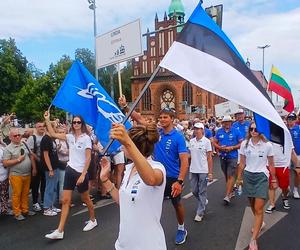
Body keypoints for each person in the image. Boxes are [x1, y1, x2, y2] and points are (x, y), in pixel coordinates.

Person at [118, 96, 189, 245]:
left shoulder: (178, 137)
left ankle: (181, 228)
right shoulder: (156, 133)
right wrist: (125, 107)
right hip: (150, 173)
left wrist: (180, 181)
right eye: (161, 117)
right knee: (151, 204)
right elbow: (139, 118)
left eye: (165, 117)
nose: (162, 119)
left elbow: (184, 161)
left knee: (177, 204)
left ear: (172, 119)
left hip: (170, 177)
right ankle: (149, 228)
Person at [100, 123, 166, 250]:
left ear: (133, 147)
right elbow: (123, 200)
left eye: (123, 145)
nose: (121, 148)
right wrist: (105, 180)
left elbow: (151, 179)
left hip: (148, 245)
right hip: (123, 244)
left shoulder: (157, 168)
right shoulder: (129, 169)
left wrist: (128, 142)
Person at [44, 111, 97, 240]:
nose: (76, 124)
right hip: (70, 170)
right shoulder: (69, 136)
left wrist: (83, 175)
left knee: (85, 199)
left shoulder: (86, 138)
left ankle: (93, 219)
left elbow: (88, 158)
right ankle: (60, 230)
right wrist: (47, 119)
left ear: (82, 124)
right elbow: (52, 134)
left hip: (81, 173)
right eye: (74, 122)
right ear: (72, 124)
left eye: (79, 122)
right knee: (66, 201)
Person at [237, 122, 276, 250]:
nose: (253, 131)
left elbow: (271, 164)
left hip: (261, 177)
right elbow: (242, 163)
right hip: (248, 176)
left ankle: (253, 240)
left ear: (260, 130)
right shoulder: (244, 144)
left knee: (259, 208)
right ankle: (261, 222)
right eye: (251, 129)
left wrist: (274, 179)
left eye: (256, 129)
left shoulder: (267, 145)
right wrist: (239, 178)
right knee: (252, 204)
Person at [2, 128, 37, 220]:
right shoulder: (8, 149)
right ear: (10, 137)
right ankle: (17, 213)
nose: (17, 137)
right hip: (16, 174)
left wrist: (34, 168)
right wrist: (18, 160)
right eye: (15, 135)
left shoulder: (24, 144)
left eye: (19, 135)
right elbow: (5, 163)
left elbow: (31, 155)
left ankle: (25, 210)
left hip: (27, 173)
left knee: (25, 193)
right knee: (17, 194)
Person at [214, 115, 243, 204]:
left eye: (228, 122)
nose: (227, 124)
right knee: (226, 175)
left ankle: (227, 195)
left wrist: (233, 147)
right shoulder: (219, 132)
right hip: (223, 157)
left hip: (233, 156)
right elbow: (214, 142)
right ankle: (231, 190)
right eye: (225, 122)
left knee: (230, 175)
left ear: (231, 122)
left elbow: (241, 143)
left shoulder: (236, 131)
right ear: (222, 123)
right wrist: (219, 148)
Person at [188, 122, 213, 222]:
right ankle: (203, 201)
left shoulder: (206, 142)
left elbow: (209, 158)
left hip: (203, 170)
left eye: (198, 129)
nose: (196, 130)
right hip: (193, 169)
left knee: (202, 191)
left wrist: (210, 173)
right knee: (194, 190)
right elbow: (189, 155)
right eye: (195, 129)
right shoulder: (192, 141)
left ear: (202, 130)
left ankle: (200, 212)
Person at [265, 143, 298, 213]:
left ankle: (284, 197)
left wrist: (297, 165)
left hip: (283, 165)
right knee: (271, 185)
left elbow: (291, 150)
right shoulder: (267, 133)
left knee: (285, 186)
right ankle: (272, 204)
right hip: (270, 164)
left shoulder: (286, 132)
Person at [41, 122, 61, 216]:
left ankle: (51, 205)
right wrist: (50, 169)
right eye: (55, 127)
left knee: (53, 188)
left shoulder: (51, 139)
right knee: (49, 187)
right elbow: (45, 155)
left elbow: (52, 152)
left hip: (55, 166)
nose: (56, 129)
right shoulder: (46, 139)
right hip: (50, 168)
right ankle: (46, 208)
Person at [27, 121, 46, 212]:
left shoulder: (46, 137)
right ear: (36, 128)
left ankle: (43, 200)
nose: (41, 128)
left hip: (45, 164)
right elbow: (31, 154)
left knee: (44, 184)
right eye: (39, 126)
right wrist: (34, 167)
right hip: (36, 164)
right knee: (35, 184)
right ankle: (35, 203)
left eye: (43, 126)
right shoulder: (32, 138)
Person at [286, 112, 300, 199]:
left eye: (292, 119)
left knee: (298, 173)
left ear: (295, 120)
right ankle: (286, 188)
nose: (290, 121)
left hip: (297, 154)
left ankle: (295, 189)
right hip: (286, 155)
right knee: (285, 173)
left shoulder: (299, 128)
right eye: (289, 119)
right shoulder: (284, 129)